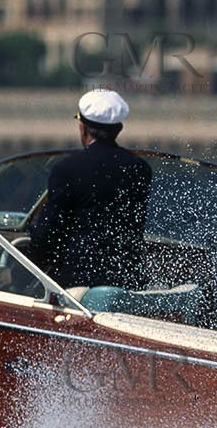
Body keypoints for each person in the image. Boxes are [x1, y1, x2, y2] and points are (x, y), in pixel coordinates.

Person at [27, 90, 152, 289]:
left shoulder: (67, 169)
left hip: (79, 283)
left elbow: (48, 235)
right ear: (119, 129)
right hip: (128, 280)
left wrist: (19, 271)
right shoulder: (140, 168)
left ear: (82, 128)